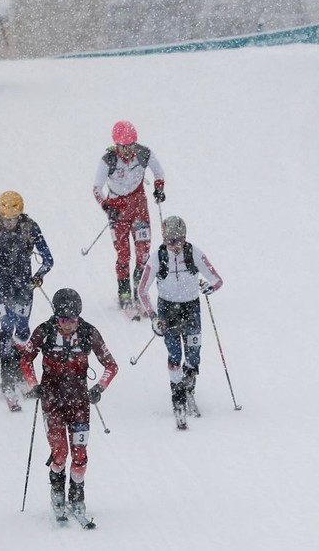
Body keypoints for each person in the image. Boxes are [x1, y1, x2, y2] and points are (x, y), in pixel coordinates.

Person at [20, 288, 118, 521]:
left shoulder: (88, 332)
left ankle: (77, 492)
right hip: (52, 401)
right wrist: (34, 385)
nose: (68, 325)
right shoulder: (43, 332)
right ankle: (56, 487)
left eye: (72, 319)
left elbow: (111, 366)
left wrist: (99, 388)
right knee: (60, 453)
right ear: (56, 316)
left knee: (80, 454)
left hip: (79, 402)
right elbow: (25, 358)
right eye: (63, 320)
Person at [135, 216, 223, 429]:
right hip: (168, 310)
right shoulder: (157, 257)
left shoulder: (195, 253)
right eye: (171, 241)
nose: (175, 246)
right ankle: (178, 398)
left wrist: (209, 288)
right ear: (164, 239)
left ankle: (189, 388)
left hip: (191, 308)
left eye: (180, 240)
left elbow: (217, 280)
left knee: (193, 354)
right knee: (175, 355)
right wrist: (154, 317)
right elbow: (142, 290)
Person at [0, 191, 54, 411]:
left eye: (13, 218)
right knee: (6, 324)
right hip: (0, 285)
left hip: (23, 286)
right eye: (5, 218)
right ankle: (7, 376)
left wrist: (38, 276)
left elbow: (48, 258)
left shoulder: (30, 226)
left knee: (22, 330)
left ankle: (21, 371)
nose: (9, 223)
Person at [93, 120, 167, 311]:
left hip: (139, 208)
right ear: (116, 145)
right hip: (118, 213)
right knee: (123, 255)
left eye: (131, 146)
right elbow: (96, 189)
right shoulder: (108, 160)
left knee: (143, 255)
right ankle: (124, 292)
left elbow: (159, 172)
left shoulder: (143, 153)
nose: (128, 152)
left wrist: (159, 188)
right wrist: (107, 207)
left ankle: (139, 291)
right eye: (123, 147)